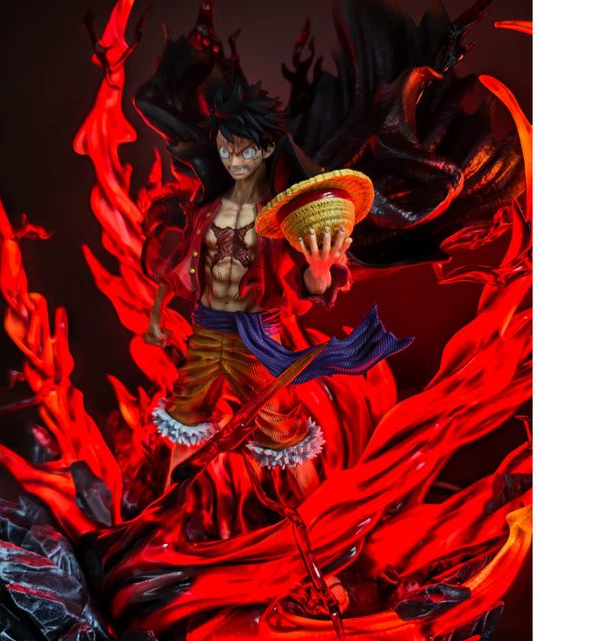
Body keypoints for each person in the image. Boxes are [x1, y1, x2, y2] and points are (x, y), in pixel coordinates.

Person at [143, 83, 408, 496]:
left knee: (286, 436)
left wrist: (319, 271)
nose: (234, 160)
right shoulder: (208, 208)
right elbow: (177, 265)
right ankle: (164, 514)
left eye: (245, 151)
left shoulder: (280, 218)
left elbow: (308, 284)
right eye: (226, 149)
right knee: (183, 422)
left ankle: (317, 519)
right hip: (207, 330)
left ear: (266, 149)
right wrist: (157, 314)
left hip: (256, 339)